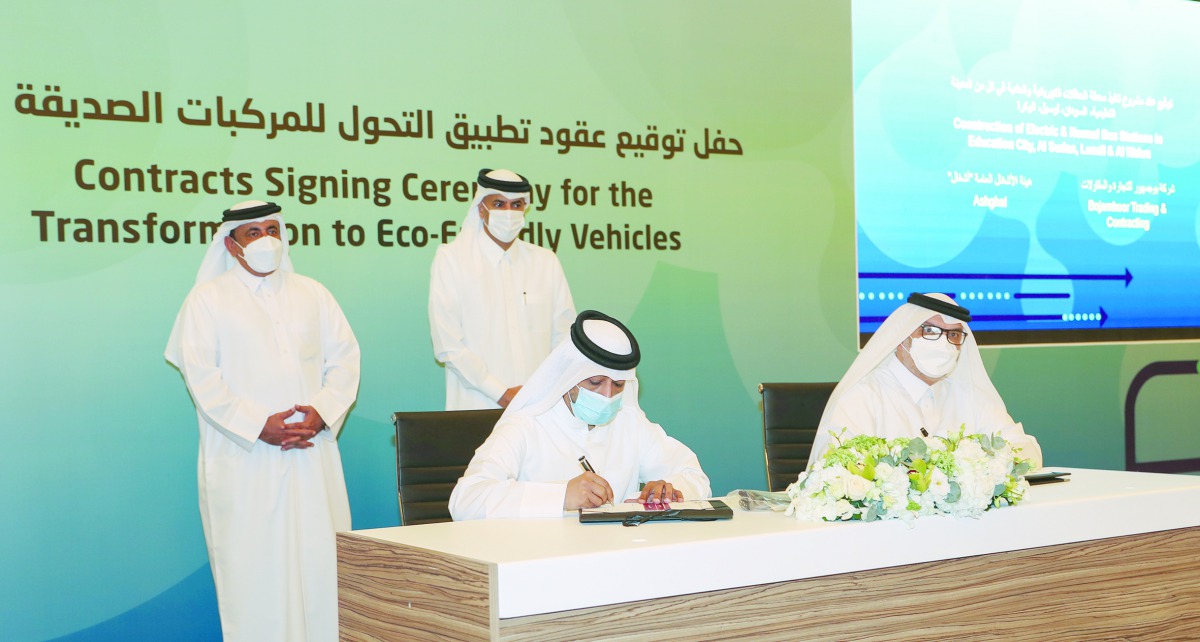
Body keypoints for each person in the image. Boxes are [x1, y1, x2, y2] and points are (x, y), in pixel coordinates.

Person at [164, 200, 360, 642]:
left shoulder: (314, 293)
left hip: (313, 455)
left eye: (273, 229)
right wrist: (258, 425)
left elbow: (345, 360)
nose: (266, 239)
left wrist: (323, 412)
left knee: (321, 564)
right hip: (244, 460)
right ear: (231, 245)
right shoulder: (207, 300)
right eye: (253, 233)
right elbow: (202, 377)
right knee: (256, 573)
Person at [449, 310, 711, 520]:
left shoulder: (629, 423)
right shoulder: (527, 424)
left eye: (618, 385)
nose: (608, 395)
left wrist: (671, 490)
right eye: (595, 383)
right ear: (570, 377)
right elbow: (465, 500)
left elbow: (694, 475)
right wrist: (562, 496)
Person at [809, 292, 1043, 468]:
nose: (944, 343)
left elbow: (1028, 451)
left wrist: (972, 466)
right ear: (902, 338)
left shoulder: (969, 397)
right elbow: (838, 467)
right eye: (930, 331)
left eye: (953, 334)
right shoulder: (863, 397)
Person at [429, 168, 576, 410]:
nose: (508, 212)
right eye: (499, 203)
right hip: (476, 406)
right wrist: (501, 393)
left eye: (516, 204)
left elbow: (563, 339)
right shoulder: (452, 259)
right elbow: (448, 346)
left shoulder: (545, 262)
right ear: (481, 208)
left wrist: (541, 391)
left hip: (539, 409)